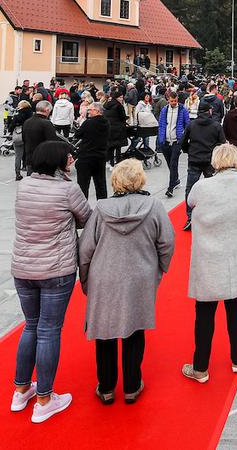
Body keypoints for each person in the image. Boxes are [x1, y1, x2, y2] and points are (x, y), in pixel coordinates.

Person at [79, 159, 175, 405]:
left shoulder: (101, 208)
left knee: (104, 332)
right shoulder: (153, 206)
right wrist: (159, 268)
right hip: (139, 275)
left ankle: (107, 387)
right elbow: (166, 242)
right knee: (135, 329)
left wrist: (85, 278)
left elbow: (86, 249)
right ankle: (132, 386)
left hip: (105, 275)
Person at [11, 141, 91, 423]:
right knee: (48, 330)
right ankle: (44, 397)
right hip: (56, 269)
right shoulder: (67, 189)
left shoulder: (24, 186)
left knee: (30, 325)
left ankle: (21, 389)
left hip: (23, 267)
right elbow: (86, 219)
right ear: (58, 161)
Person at [182, 144, 237, 383]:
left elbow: (190, 202)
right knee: (236, 307)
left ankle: (200, 366)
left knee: (204, 312)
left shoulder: (203, 186)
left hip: (209, 255)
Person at [180, 103, 226, 230]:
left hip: (194, 159)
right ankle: (212, 214)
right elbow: (222, 143)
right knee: (212, 188)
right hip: (209, 161)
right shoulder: (216, 126)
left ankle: (190, 216)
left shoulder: (191, 125)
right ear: (209, 111)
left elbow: (182, 141)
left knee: (190, 188)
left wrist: (189, 150)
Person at [72, 102, 110, 200]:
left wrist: (81, 121)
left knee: (83, 185)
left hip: (86, 156)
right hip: (100, 156)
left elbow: (78, 134)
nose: (88, 111)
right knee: (100, 183)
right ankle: (103, 206)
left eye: (90, 109)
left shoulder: (89, 123)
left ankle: (83, 208)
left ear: (97, 111)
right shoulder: (106, 122)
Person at [158, 92, 190, 198]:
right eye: (172, 101)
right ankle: (175, 180)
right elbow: (161, 124)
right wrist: (160, 138)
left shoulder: (183, 110)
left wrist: (183, 139)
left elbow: (187, 125)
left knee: (173, 163)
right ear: (168, 100)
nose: (174, 103)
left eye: (175, 101)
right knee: (171, 165)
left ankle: (170, 188)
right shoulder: (164, 110)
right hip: (165, 141)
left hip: (177, 141)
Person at [22, 101, 60, 177]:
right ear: (47, 110)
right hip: (43, 160)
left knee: (31, 183)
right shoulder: (46, 123)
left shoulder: (27, 122)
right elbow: (52, 143)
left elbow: (24, 139)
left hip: (30, 157)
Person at [103, 91, 129, 167]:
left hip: (109, 127)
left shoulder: (107, 104)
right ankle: (118, 161)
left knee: (111, 146)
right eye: (120, 97)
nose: (121, 99)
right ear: (116, 98)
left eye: (122, 97)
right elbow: (122, 117)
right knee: (118, 146)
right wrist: (127, 118)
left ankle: (110, 162)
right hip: (118, 128)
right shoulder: (119, 106)